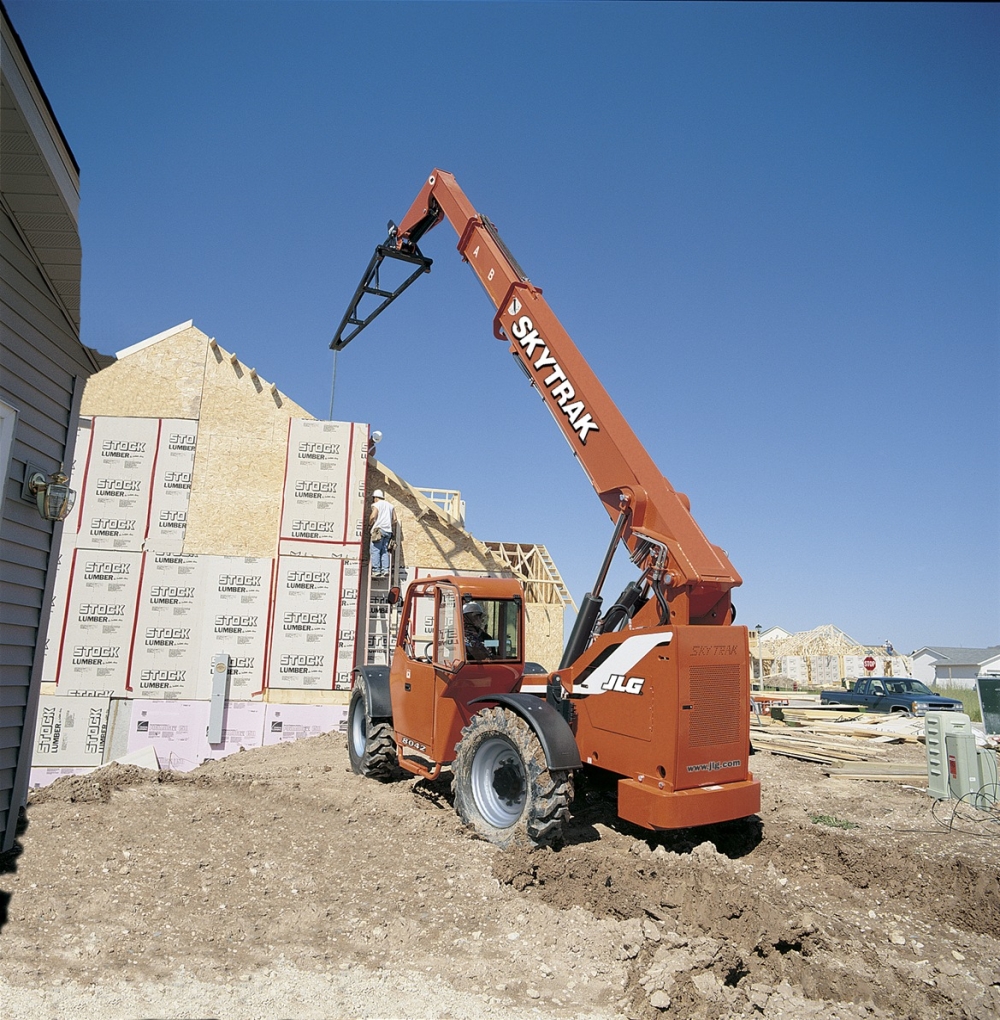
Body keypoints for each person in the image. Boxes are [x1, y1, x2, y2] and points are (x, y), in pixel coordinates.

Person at [368, 489, 395, 578]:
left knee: (375, 550)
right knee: (384, 551)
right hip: (388, 532)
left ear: (375, 498)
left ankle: (376, 571)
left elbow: (373, 516)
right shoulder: (391, 506)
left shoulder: (377, 504)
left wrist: (370, 524)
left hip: (379, 530)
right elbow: (395, 519)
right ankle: (385, 570)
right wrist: (388, 524)